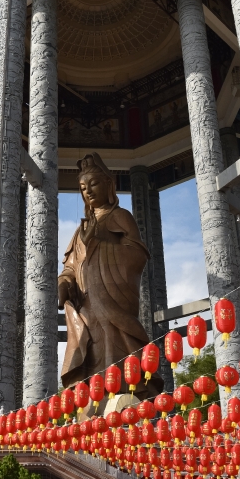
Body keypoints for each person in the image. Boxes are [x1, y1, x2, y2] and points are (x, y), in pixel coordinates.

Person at [58, 153, 163, 397]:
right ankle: (93, 399)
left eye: (94, 184)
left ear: (108, 184)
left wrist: (101, 243)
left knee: (116, 348)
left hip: (112, 298)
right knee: (91, 349)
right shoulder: (80, 229)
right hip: (87, 304)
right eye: (83, 188)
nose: (89, 192)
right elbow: (72, 265)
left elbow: (137, 255)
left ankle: (126, 395)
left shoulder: (120, 216)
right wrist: (65, 280)